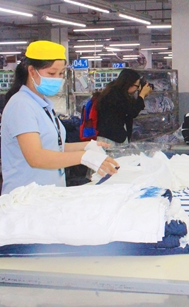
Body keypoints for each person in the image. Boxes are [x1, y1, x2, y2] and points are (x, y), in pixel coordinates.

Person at [1, 40, 119, 195]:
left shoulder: (43, 105)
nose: (57, 78)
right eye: (51, 73)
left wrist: (86, 146)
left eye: (61, 73)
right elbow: (36, 157)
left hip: (47, 194)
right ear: (31, 71)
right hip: (25, 198)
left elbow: (53, 146)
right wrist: (84, 156)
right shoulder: (21, 105)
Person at [96, 68, 152, 145]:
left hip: (110, 136)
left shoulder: (114, 92)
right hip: (112, 139)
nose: (137, 89)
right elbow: (132, 111)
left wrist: (142, 96)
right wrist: (141, 95)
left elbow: (130, 108)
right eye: (137, 86)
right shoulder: (114, 96)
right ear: (129, 84)